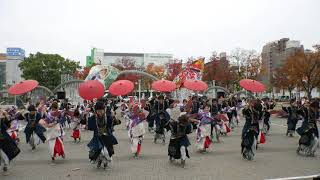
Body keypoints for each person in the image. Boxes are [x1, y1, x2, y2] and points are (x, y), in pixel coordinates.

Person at [87, 100, 118, 170]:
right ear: (96, 111)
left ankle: (105, 164)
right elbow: (90, 127)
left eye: (101, 111)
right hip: (97, 137)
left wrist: (114, 117)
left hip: (106, 137)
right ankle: (99, 161)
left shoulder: (108, 117)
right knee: (99, 151)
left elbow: (113, 124)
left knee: (106, 152)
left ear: (104, 110)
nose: (100, 112)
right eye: (98, 111)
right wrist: (86, 117)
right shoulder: (93, 118)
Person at [0, 110, 20, 175]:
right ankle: (4, 165)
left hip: (4, 140)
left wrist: (5, 117)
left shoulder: (2, 120)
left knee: (5, 154)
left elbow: (7, 127)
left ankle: (5, 166)